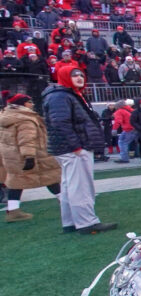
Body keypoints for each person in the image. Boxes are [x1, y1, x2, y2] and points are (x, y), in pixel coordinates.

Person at [41, 67, 116, 234]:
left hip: (68, 147)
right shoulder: (61, 96)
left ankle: (70, 222)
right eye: (74, 75)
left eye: (81, 74)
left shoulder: (64, 94)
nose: (79, 77)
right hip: (73, 148)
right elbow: (60, 122)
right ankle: (86, 222)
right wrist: (75, 146)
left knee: (69, 186)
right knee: (80, 186)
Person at [0, 94, 61, 223]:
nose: (32, 104)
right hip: (32, 155)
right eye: (29, 102)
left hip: (12, 158)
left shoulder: (6, 116)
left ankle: (13, 211)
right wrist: (29, 156)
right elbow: (26, 139)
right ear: (22, 104)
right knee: (51, 178)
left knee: (16, 183)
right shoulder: (25, 119)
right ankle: (65, 202)